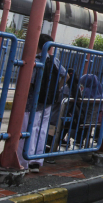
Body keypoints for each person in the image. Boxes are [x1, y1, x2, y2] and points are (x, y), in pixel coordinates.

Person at [18, 34, 67, 173]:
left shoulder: (34, 61)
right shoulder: (54, 60)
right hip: (48, 101)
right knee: (42, 129)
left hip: (32, 101)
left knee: (28, 130)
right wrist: (56, 89)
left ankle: (24, 160)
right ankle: (37, 161)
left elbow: (29, 82)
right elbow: (66, 75)